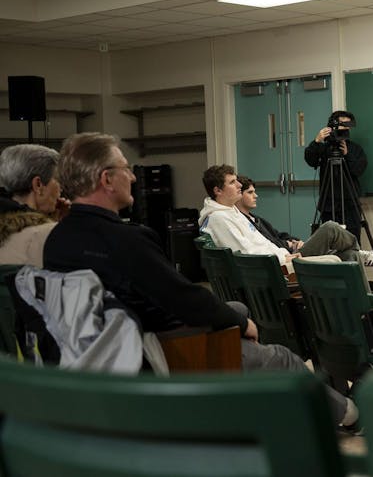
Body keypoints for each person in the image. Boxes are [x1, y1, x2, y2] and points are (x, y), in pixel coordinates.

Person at [42, 133, 357, 427]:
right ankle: (349, 414)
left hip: (100, 346)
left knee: (236, 309)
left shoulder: (58, 240)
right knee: (279, 356)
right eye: (126, 168)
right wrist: (240, 324)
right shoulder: (125, 239)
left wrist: (233, 317)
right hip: (159, 346)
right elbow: (181, 298)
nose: (133, 177)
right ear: (106, 179)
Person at [199, 166, 373, 266]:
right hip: (277, 267)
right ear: (218, 190)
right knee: (330, 228)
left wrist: (287, 249)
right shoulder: (219, 219)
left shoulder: (232, 213)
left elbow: (265, 242)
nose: (239, 185)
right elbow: (245, 254)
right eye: (233, 182)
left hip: (282, 258)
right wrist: (284, 257)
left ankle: (363, 308)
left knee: (349, 255)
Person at [0, 144, 67, 266]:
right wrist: (64, 227)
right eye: (58, 180)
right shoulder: (45, 235)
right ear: (38, 185)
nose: (61, 188)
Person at [304, 110, 368, 239]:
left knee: (352, 240)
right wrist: (317, 141)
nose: (345, 128)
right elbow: (311, 161)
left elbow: (358, 170)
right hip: (329, 204)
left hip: (350, 204)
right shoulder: (324, 148)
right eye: (342, 125)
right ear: (332, 126)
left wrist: (347, 155)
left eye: (347, 125)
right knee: (330, 241)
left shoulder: (355, 149)